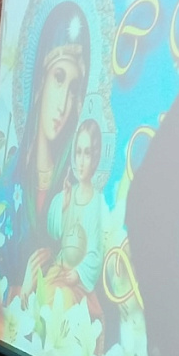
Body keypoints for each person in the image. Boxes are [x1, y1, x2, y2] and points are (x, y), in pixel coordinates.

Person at [7, 1, 90, 300]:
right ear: (41, 81)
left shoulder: (74, 187)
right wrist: (24, 290)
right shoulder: (12, 178)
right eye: (59, 78)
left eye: (74, 88)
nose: (64, 104)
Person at [44, 117, 105, 310]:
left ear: (95, 158)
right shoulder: (68, 194)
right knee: (44, 296)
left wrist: (78, 273)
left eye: (87, 153)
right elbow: (53, 232)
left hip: (79, 283)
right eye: (78, 152)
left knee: (63, 300)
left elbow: (96, 252)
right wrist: (64, 204)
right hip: (59, 271)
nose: (81, 161)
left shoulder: (97, 204)